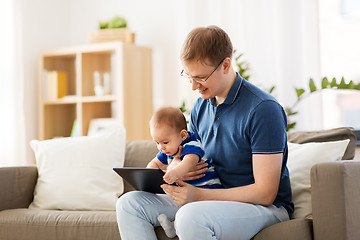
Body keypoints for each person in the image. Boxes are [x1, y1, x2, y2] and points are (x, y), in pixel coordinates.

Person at [116, 25, 294, 240]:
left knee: (190, 217)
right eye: (188, 76)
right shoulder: (201, 106)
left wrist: (198, 195)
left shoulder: (263, 109)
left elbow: (265, 194)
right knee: (129, 204)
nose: (193, 87)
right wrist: (178, 168)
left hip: (264, 208)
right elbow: (188, 153)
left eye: (200, 77)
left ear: (226, 65)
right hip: (210, 199)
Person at [147, 106, 222, 238]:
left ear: (182, 135)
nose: (161, 147)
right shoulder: (168, 149)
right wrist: (147, 175)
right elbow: (155, 163)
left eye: (165, 142)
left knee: (189, 211)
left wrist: (175, 172)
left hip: (207, 190)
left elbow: (189, 162)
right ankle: (173, 227)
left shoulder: (192, 144)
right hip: (187, 193)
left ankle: (175, 225)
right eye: (157, 143)